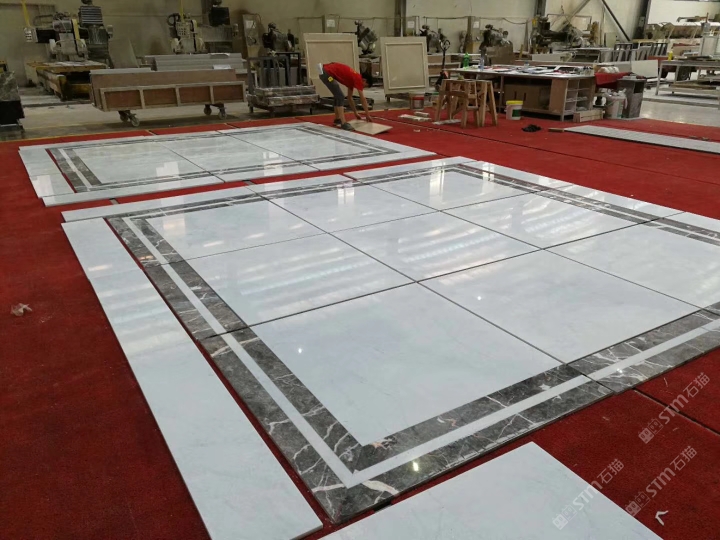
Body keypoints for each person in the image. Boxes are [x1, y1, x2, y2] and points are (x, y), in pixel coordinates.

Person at [318, 62, 373, 130]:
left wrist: (355, 113)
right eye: (365, 86)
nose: (363, 88)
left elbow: (349, 98)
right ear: (364, 80)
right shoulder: (358, 78)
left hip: (325, 72)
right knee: (340, 96)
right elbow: (363, 99)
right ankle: (343, 123)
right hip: (327, 74)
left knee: (337, 95)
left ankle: (337, 119)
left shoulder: (352, 80)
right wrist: (367, 115)